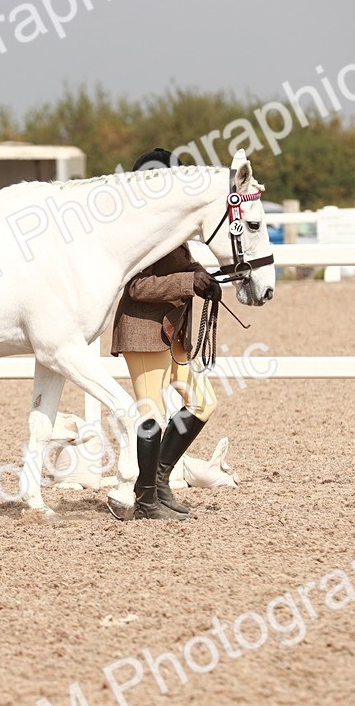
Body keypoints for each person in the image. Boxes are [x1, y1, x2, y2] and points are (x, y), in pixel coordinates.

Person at [110, 148, 222, 521]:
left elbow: (181, 266)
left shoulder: (169, 225)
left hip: (171, 334)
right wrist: (189, 281)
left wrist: (205, 278)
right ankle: (144, 499)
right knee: (151, 414)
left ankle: (160, 480)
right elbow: (138, 286)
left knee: (203, 402)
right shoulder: (139, 229)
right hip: (143, 330)